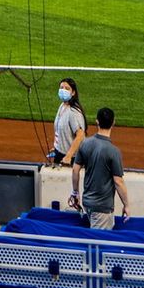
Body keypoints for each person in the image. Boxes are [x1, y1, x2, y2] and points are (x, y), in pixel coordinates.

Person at [70, 106, 129, 231]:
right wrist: (126, 205)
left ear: (97, 121)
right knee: (98, 246)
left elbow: (75, 170)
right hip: (101, 208)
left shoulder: (85, 143)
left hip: (87, 203)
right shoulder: (113, 151)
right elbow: (118, 181)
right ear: (113, 123)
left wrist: (75, 193)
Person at [50, 78, 86, 209]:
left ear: (73, 93)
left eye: (66, 88)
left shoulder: (74, 112)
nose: (63, 90)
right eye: (61, 87)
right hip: (60, 152)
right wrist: (56, 146)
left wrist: (69, 155)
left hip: (71, 158)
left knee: (69, 187)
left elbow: (80, 135)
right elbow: (60, 129)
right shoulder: (62, 106)